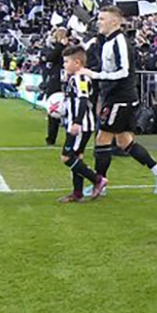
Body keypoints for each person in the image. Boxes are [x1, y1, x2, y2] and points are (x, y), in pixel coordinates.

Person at [80, 6, 157, 195]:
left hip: (121, 98)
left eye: (102, 19)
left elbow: (124, 71)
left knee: (102, 139)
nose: (99, 22)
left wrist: (95, 75)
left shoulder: (120, 41)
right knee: (123, 141)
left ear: (115, 22)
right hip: (115, 97)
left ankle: (100, 183)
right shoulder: (107, 42)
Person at [57, 46, 107, 203]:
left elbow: (84, 100)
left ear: (77, 62)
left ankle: (97, 180)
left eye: (66, 62)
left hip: (81, 125)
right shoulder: (73, 78)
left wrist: (77, 122)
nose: (64, 65)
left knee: (66, 158)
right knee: (77, 157)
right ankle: (77, 193)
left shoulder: (81, 79)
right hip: (76, 124)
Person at [42, 28, 67, 146]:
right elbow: (49, 58)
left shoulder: (70, 48)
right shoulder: (51, 47)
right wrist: (59, 46)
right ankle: (51, 137)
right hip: (55, 81)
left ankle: (70, 138)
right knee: (54, 109)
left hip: (67, 80)